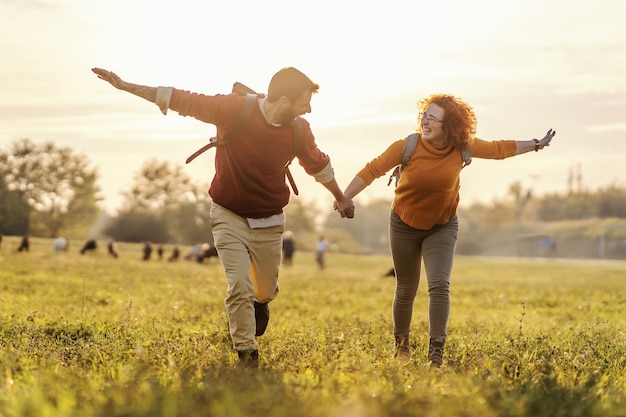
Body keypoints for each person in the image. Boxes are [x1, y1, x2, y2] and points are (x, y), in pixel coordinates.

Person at [92, 66, 355, 368]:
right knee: (239, 284)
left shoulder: (299, 129)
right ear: (283, 101)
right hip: (228, 213)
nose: (308, 109)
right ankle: (246, 353)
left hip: (269, 219)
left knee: (264, 289)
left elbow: (318, 166)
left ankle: (261, 303)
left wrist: (341, 197)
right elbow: (182, 99)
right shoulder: (234, 109)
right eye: (303, 103)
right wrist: (125, 85)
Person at [341, 94, 556, 367]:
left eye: (433, 118)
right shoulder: (406, 146)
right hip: (403, 224)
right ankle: (402, 348)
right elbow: (373, 170)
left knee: (440, 285)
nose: (425, 122)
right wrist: (345, 197)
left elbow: (498, 149)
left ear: (450, 125)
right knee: (406, 288)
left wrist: (537, 144)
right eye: (424, 116)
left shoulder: (461, 147)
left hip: (442, 225)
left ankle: (436, 353)